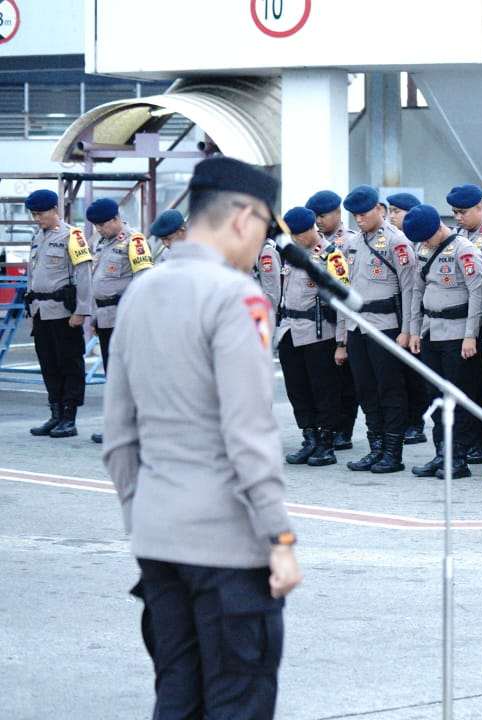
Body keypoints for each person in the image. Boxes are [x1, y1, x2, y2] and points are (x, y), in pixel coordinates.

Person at [102, 157, 302, 718]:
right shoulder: (238, 297)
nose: (262, 244)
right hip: (226, 545)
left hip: (157, 537)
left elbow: (118, 436)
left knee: (177, 696)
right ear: (243, 218)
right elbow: (249, 432)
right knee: (236, 699)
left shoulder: (141, 291)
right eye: (264, 228)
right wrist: (280, 537)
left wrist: (142, 518)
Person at [335, 185, 418, 474]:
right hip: (357, 326)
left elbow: (410, 290)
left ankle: (393, 452)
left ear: (379, 210)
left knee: (390, 389)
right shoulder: (352, 243)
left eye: (364, 214)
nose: (359, 219)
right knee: (366, 390)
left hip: (386, 326)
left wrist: (408, 330)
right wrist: (342, 338)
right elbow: (343, 291)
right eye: (355, 215)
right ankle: (376, 448)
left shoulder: (397, 242)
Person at [405, 204, 482, 480]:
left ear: (439, 227)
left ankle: (458, 458)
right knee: (435, 397)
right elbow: (417, 291)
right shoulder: (423, 249)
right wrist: (415, 330)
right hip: (432, 332)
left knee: (458, 399)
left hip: (458, 334)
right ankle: (441, 453)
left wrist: (470, 335)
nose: (426, 243)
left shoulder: (464, 250)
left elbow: (478, 293)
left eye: (428, 237)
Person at [275, 207, 350, 468]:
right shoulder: (290, 255)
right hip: (290, 330)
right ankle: (309, 438)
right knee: (297, 390)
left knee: (324, 390)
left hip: (319, 333)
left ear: (311, 230)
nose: (295, 239)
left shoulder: (331, 256)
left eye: (298, 234)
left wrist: (341, 342)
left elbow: (343, 303)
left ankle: (326, 442)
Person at [24, 189, 92, 440]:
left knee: (69, 364)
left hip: (64, 312)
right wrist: (30, 308)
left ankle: (69, 417)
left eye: (40, 213)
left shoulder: (73, 236)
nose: (37, 219)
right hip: (41, 311)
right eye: (33, 214)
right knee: (48, 364)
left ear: (54, 209)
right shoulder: (37, 237)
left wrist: (82, 311)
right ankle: (55, 413)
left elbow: (84, 275)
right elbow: (32, 275)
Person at [86, 197, 155, 444]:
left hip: (125, 318)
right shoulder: (102, 243)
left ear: (116, 219)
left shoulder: (134, 241)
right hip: (106, 318)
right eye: (96, 226)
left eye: (103, 225)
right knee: (113, 374)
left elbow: (143, 280)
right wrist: (95, 317)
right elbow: (98, 282)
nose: (99, 230)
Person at [448, 183, 482, 465]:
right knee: (466, 386)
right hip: (463, 321)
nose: (458, 217)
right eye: (455, 213)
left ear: (481, 208)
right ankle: (470, 441)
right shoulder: (456, 237)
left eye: (464, 212)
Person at [307, 189, 359, 451]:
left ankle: (344, 430)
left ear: (338, 213)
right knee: (325, 379)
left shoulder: (349, 241)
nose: (319, 221)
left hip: (342, 314)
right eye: (315, 217)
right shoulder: (311, 242)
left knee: (345, 378)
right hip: (320, 318)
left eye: (323, 216)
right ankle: (326, 426)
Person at [385, 192, 429, 446]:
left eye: (397, 211)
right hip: (399, 313)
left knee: (415, 374)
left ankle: (416, 422)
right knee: (398, 373)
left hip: (420, 316)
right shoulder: (392, 241)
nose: (392, 216)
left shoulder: (421, 242)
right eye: (390, 211)